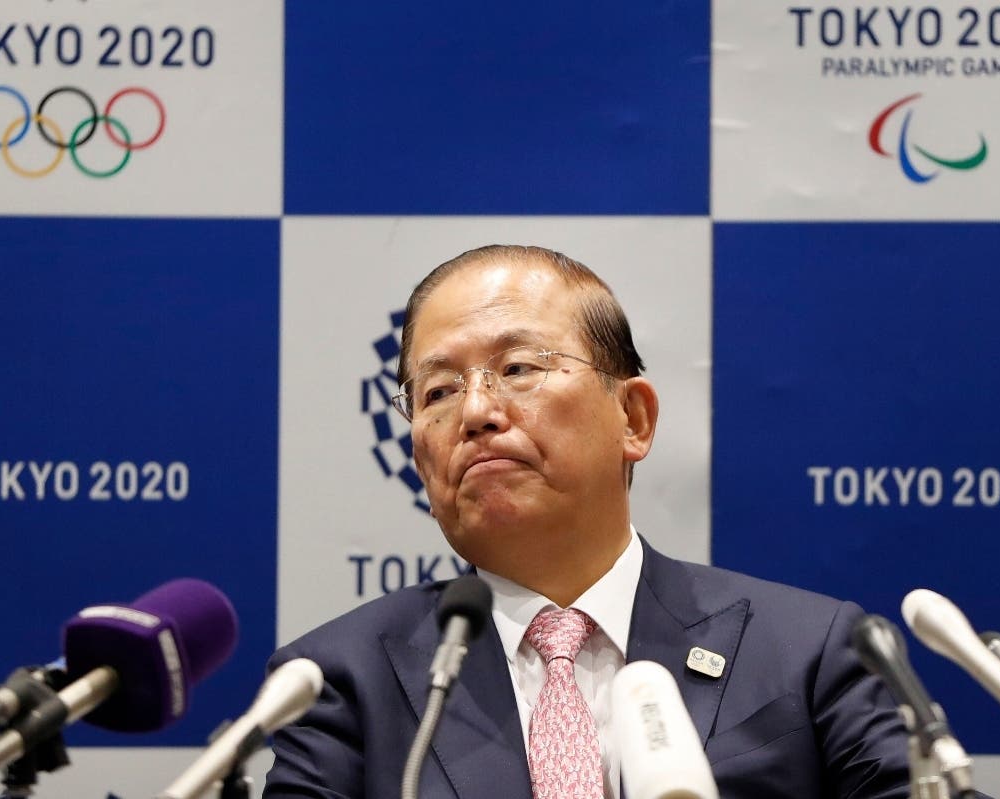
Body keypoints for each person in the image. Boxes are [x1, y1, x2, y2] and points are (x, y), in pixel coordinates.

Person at [262, 245, 936, 798]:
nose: (475, 412)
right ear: (418, 456)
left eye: (517, 368)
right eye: (437, 391)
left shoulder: (807, 651)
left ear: (632, 419)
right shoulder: (339, 680)